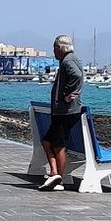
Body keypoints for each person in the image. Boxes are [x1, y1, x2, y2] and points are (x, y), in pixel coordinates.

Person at [40, 34, 85, 191]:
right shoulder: (69, 60)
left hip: (65, 112)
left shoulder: (68, 61)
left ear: (60, 48)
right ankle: (55, 173)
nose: (53, 51)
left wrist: (68, 93)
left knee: (58, 144)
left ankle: (58, 179)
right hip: (63, 111)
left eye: (54, 48)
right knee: (47, 142)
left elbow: (77, 76)